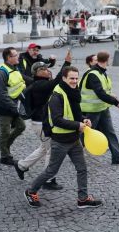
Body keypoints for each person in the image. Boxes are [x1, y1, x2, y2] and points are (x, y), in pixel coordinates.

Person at [23, 66, 103, 209]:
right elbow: (57, 120)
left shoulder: (73, 92)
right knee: (51, 171)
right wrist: (78, 125)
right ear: (64, 78)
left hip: (74, 139)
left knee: (82, 168)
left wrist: (83, 119)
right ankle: (31, 191)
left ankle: (83, 199)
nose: (74, 81)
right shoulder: (56, 96)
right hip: (60, 141)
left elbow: (74, 114)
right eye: (71, 78)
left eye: (76, 78)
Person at [13, 50, 72, 189]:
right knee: (52, 148)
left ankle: (21, 166)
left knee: (44, 148)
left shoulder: (43, 83)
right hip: (40, 123)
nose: (47, 70)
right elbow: (58, 80)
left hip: (42, 121)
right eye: (43, 69)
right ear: (36, 73)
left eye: (47, 68)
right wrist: (67, 62)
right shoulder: (39, 85)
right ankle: (48, 179)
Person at [79, 51, 119, 164]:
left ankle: (117, 157)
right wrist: (115, 102)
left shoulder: (102, 73)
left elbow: (105, 91)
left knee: (110, 132)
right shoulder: (93, 74)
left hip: (102, 108)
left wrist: (112, 97)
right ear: (107, 60)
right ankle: (74, 152)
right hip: (91, 110)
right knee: (85, 133)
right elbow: (100, 93)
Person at [0, 47, 26, 165]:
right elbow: (1, 93)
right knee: (5, 131)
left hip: (12, 105)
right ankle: (4, 156)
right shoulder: (2, 72)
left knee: (21, 126)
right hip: (3, 107)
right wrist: (13, 107)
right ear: (8, 58)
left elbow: (21, 84)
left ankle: (4, 146)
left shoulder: (15, 68)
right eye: (15, 55)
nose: (18, 57)